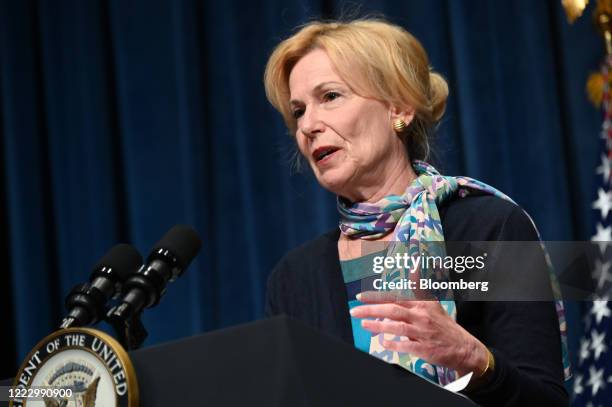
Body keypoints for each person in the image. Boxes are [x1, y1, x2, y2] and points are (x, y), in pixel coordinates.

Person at [263, 18, 569, 406]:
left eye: (330, 96)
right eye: (298, 111)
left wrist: (475, 361)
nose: (307, 126)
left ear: (400, 109)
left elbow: (547, 402)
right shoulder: (294, 278)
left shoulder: (490, 229)